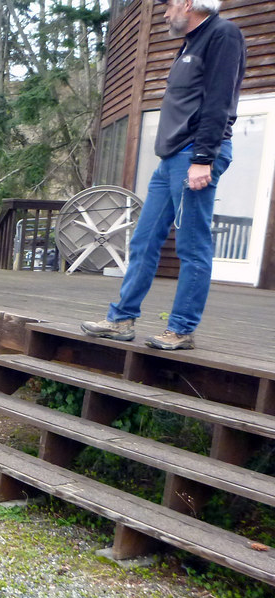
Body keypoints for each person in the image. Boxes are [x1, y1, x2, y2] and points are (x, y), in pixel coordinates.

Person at [81, 0, 245, 350]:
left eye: (168, 5)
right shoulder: (189, 43)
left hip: (194, 157)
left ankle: (182, 329)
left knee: (191, 246)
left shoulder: (222, 35)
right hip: (170, 158)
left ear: (188, 3)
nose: (164, 12)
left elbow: (219, 102)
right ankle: (121, 319)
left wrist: (203, 159)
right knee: (143, 240)